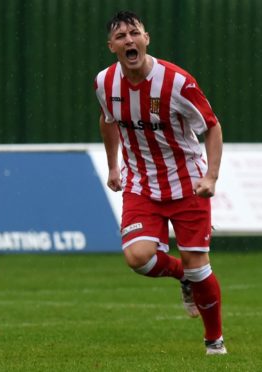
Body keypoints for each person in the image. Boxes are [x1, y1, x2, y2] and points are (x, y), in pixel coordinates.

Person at [94, 10, 226, 355]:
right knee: (138, 257)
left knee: (201, 268)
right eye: (121, 37)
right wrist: (113, 167)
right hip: (141, 184)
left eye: (134, 33)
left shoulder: (177, 82)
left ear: (146, 38)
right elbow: (107, 120)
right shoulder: (104, 83)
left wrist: (211, 175)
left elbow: (211, 125)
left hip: (187, 184)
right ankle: (182, 276)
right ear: (112, 46)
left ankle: (214, 342)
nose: (129, 40)